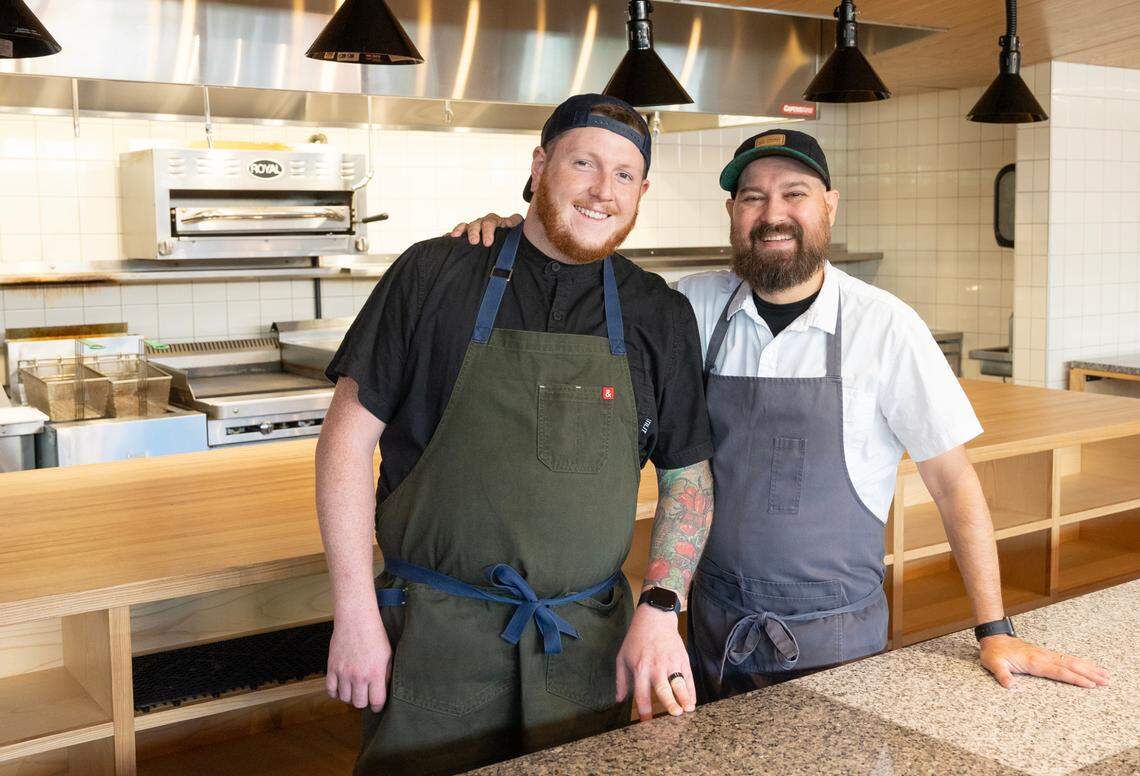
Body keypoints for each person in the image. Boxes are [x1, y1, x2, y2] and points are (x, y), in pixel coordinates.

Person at [451, 129, 1109, 702]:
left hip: (839, 640)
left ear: (828, 205)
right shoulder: (691, 307)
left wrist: (994, 632)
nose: (773, 213)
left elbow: (954, 484)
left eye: (794, 193)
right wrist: (526, 233)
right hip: (708, 630)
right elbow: (580, 273)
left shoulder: (883, 327)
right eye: (752, 197)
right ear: (733, 213)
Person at [315, 94, 714, 776]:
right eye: (583, 163)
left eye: (624, 175)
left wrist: (660, 606)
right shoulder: (433, 273)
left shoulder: (660, 312)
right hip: (434, 643)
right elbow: (345, 442)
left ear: (642, 191)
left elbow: (687, 477)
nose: (601, 190)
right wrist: (353, 613)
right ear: (539, 165)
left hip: (588, 648)